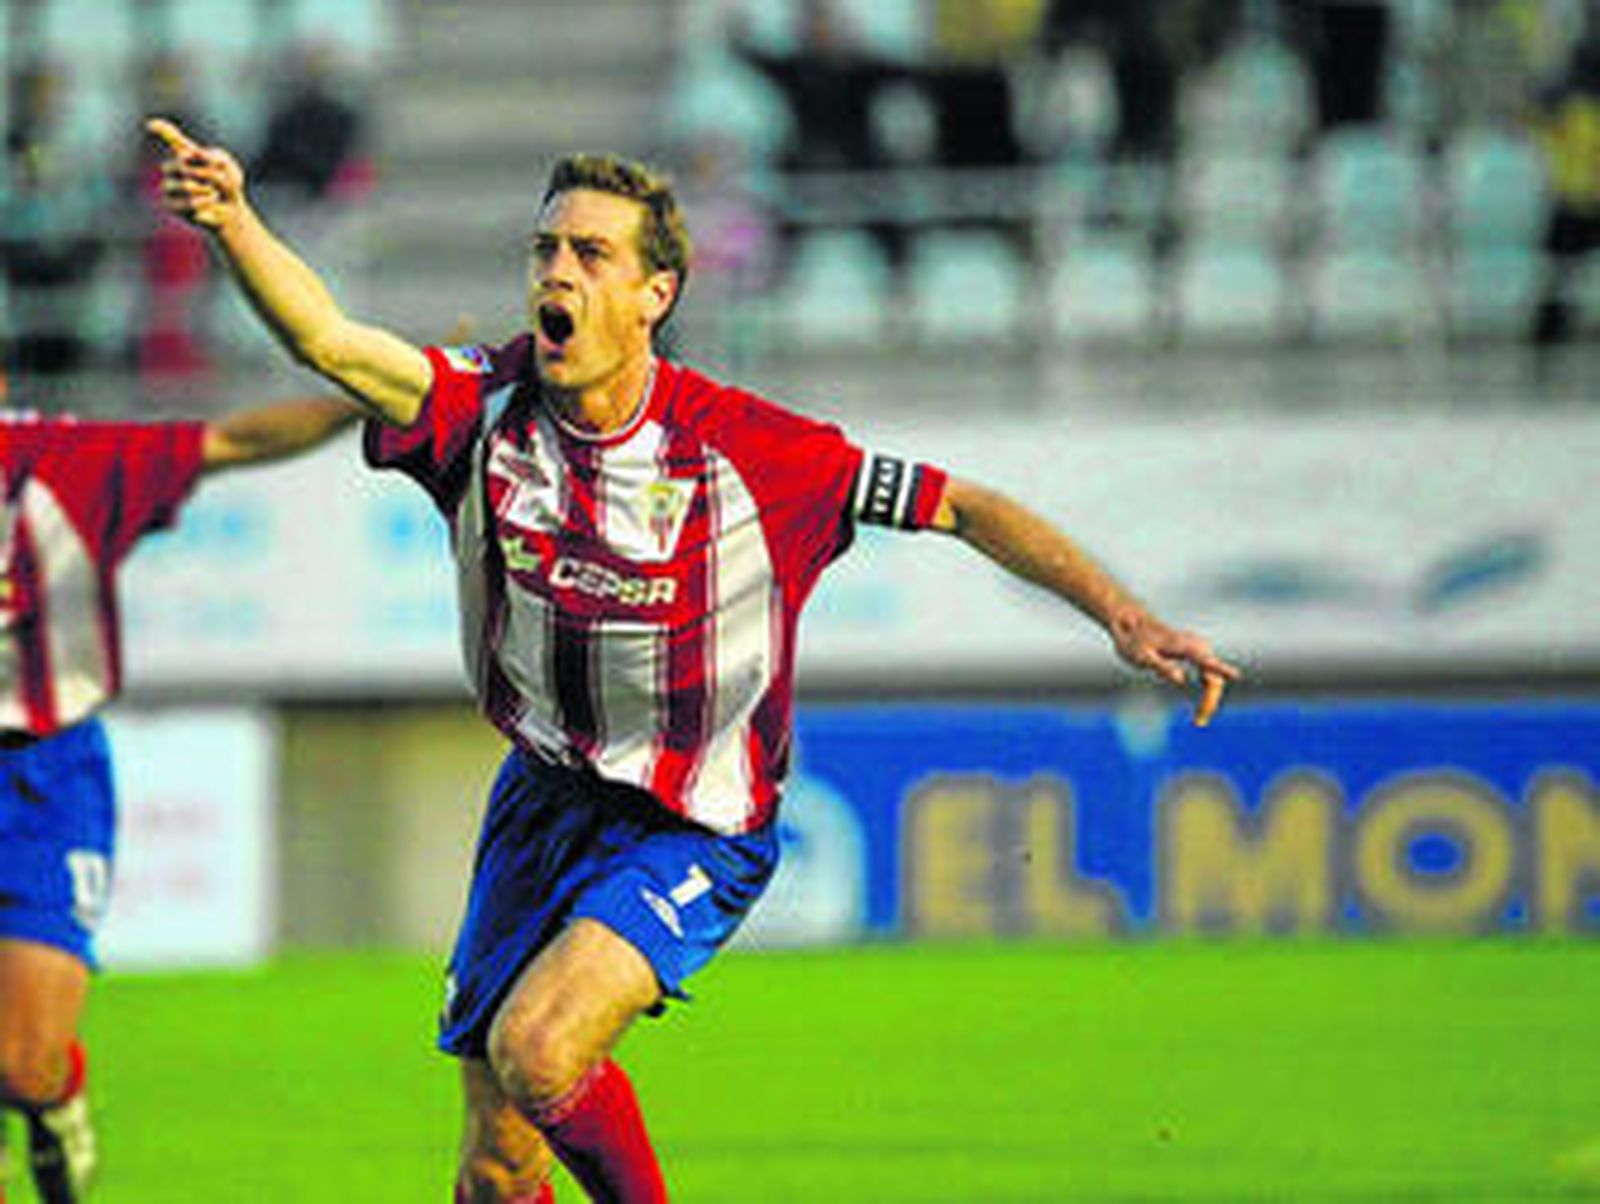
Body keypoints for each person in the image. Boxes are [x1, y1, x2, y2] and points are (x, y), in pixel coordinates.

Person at [147, 115, 1241, 1204]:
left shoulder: (755, 452)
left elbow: (962, 504)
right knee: (494, 1166)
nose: (557, 273)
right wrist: (235, 220)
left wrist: (1119, 614)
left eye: (591, 254)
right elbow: (331, 343)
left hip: (694, 820)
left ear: (653, 294)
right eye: (545, 250)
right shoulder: (483, 407)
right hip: (539, 800)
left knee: (540, 1050)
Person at [0, 376, 359, 1204]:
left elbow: (236, 441)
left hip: (44, 775)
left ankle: (58, 1091)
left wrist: (373, 397)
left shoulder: (66, 463)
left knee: (24, 1062)